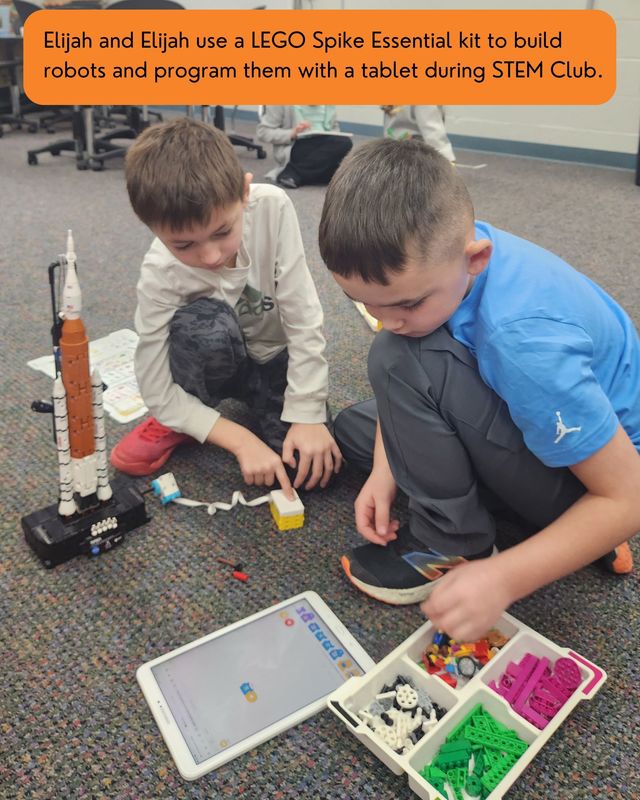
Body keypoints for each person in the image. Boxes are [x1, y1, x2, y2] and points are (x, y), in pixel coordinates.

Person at [318, 137, 638, 641]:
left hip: (601, 480)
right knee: (357, 428)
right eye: (366, 305)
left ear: (476, 258)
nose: (387, 321)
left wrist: (502, 577)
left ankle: (456, 542)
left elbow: (631, 497)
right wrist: (386, 470)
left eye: (405, 305)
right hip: (564, 438)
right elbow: (410, 338)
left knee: (396, 361)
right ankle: (569, 531)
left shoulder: (523, 345)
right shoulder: (449, 256)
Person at [110, 117, 342, 497]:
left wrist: (308, 411)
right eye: (183, 245)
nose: (210, 255)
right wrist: (239, 440)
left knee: (309, 472)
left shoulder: (272, 207)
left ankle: (230, 410)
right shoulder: (159, 272)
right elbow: (154, 382)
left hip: (273, 357)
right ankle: (187, 417)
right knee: (204, 325)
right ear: (148, 225)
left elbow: (303, 315)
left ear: (245, 193)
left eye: (222, 232)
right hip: (216, 360)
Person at [256, 105, 353, 189]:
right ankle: (302, 172)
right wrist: (292, 133)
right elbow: (263, 132)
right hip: (297, 146)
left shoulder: (328, 105)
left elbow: (335, 130)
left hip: (324, 147)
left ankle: (294, 173)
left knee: (345, 143)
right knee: (333, 159)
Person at [382, 105, 455, 163]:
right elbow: (431, 129)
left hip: (391, 151)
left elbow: (389, 128)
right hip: (416, 157)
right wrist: (447, 158)